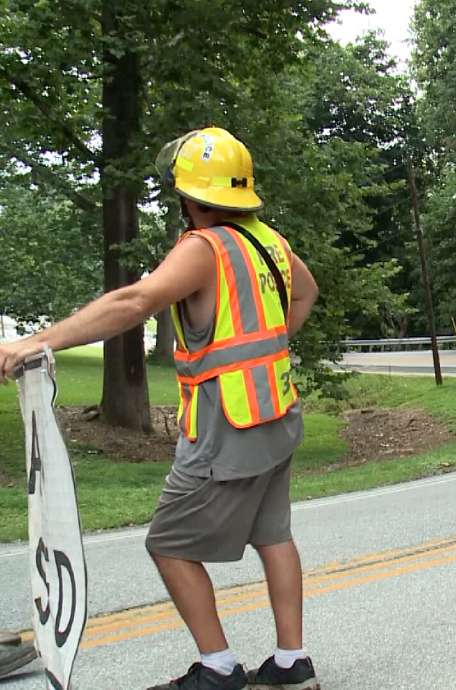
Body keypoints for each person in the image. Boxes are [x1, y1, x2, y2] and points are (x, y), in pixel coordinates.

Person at [0, 127, 320, 690]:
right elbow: (306, 294)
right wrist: (266, 350)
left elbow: (135, 301)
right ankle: (292, 663)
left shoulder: (204, 249)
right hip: (277, 413)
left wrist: (36, 341)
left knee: (168, 543)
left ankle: (218, 668)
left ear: (187, 194)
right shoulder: (268, 240)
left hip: (230, 426)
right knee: (274, 536)